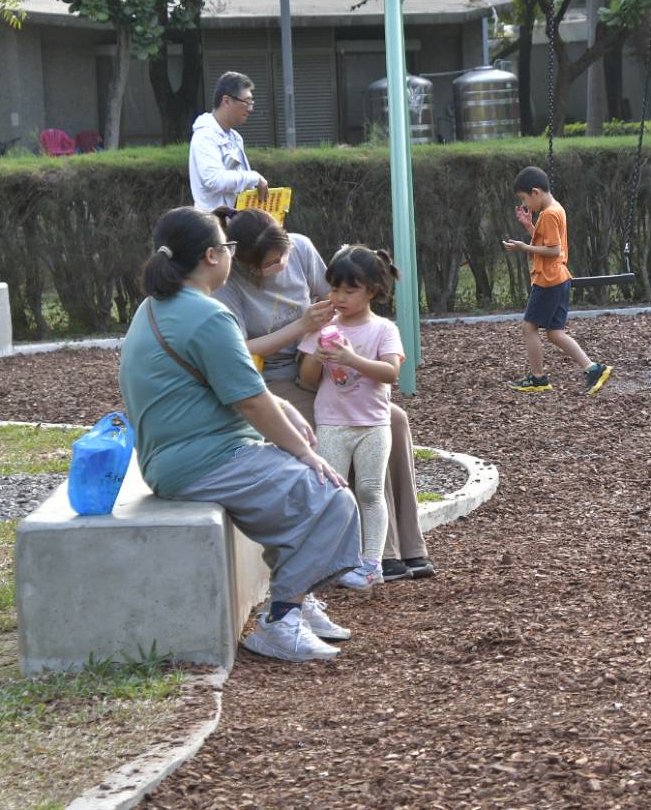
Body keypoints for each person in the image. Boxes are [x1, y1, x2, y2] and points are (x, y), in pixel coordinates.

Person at [117, 206, 362, 663]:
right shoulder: (209, 317)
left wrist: (285, 409)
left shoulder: (155, 307)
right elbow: (249, 401)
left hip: (178, 457)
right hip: (201, 460)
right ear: (213, 256)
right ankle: (281, 619)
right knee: (331, 495)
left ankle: (298, 598)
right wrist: (305, 454)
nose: (231, 254)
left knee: (304, 492)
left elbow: (238, 390)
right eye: (228, 248)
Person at [218, 207, 437, 582]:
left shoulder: (300, 248)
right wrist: (303, 328)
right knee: (346, 423)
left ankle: (409, 547)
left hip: (330, 366)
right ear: (251, 266)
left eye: (283, 254)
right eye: (272, 264)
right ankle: (377, 556)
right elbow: (241, 348)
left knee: (393, 420)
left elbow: (338, 300)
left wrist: (348, 350)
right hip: (277, 378)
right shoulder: (231, 282)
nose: (282, 265)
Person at [296, 245, 405, 590]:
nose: (339, 297)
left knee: (370, 492)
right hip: (331, 422)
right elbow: (307, 379)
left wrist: (349, 356)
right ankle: (336, 563)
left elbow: (390, 373)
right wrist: (320, 353)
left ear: (371, 291)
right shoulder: (323, 327)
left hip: (373, 424)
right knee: (334, 495)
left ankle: (372, 564)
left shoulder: (383, 329)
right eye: (334, 289)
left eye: (349, 289)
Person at [500, 165, 613, 394]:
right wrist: (529, 226)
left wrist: (524, 247)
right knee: (554, 333)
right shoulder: (554, 209)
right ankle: (593, 369)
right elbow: (548, 242)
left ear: (536, 192)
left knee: (528, 327)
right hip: (559, 279)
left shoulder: (550, 214)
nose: (525, 205)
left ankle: (538, 378)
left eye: (524, 198)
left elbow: (553, 250)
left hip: (548, 280)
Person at [190, 71, 268, 211]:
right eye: (246, 102)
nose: (250, 108)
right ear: (226, 101)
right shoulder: (205, 135)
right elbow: (214, 180)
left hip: (235, 223)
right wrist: (255, 178)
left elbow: (241, 183)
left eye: (251, 102)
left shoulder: (235, 138)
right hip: (212, 225)